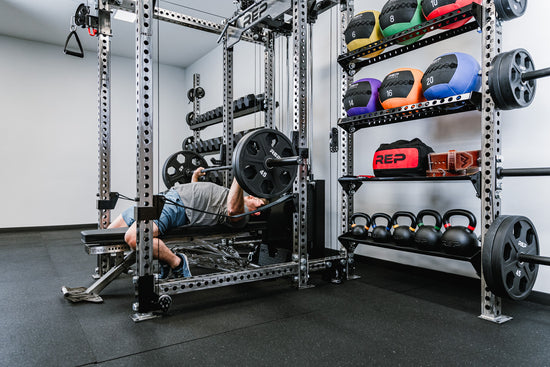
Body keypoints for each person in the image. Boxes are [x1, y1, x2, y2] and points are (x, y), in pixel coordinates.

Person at [108, 167, 268, 279]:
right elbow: (196, 192)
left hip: (176, 206)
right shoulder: (230, 194)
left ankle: (176, 262)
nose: (258, 210)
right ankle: (161, 260)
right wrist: (195, 177)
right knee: (109, 233)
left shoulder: (242, 212)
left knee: (135, 238)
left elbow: (233, 211)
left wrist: (240, 174)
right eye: (257, 201)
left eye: (259, 204)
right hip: (164, 197)